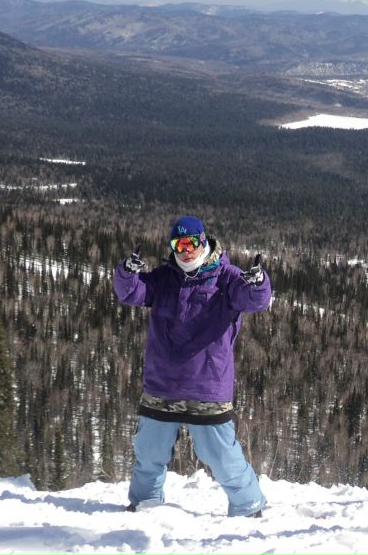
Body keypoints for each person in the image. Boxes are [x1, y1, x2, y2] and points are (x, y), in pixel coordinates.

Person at [114, 215, 271, 517]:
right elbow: (131, 292)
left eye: (191, 242)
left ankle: (250, 506)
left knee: (220, 454)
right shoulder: (163, 278)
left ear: (204, 241)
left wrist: (260, 283)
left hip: (207, 384)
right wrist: (127, 273)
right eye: (178, 244)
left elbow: (255, 300)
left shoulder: (226, 278)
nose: (186, 250)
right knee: (149, 451)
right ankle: (144, 505)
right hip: (162, 383)